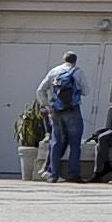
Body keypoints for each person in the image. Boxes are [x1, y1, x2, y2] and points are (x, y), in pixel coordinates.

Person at [36, 51, 85, 183]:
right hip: (72, 109)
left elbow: (40, 90)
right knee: (75, 143)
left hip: (56, 110)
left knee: (56, 141)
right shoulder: (77, 72)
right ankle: (73, 174)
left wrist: (47, 105)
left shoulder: (54, 71)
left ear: (63, 60)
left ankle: (53, 174)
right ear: (75, 61)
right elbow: (86, 90)